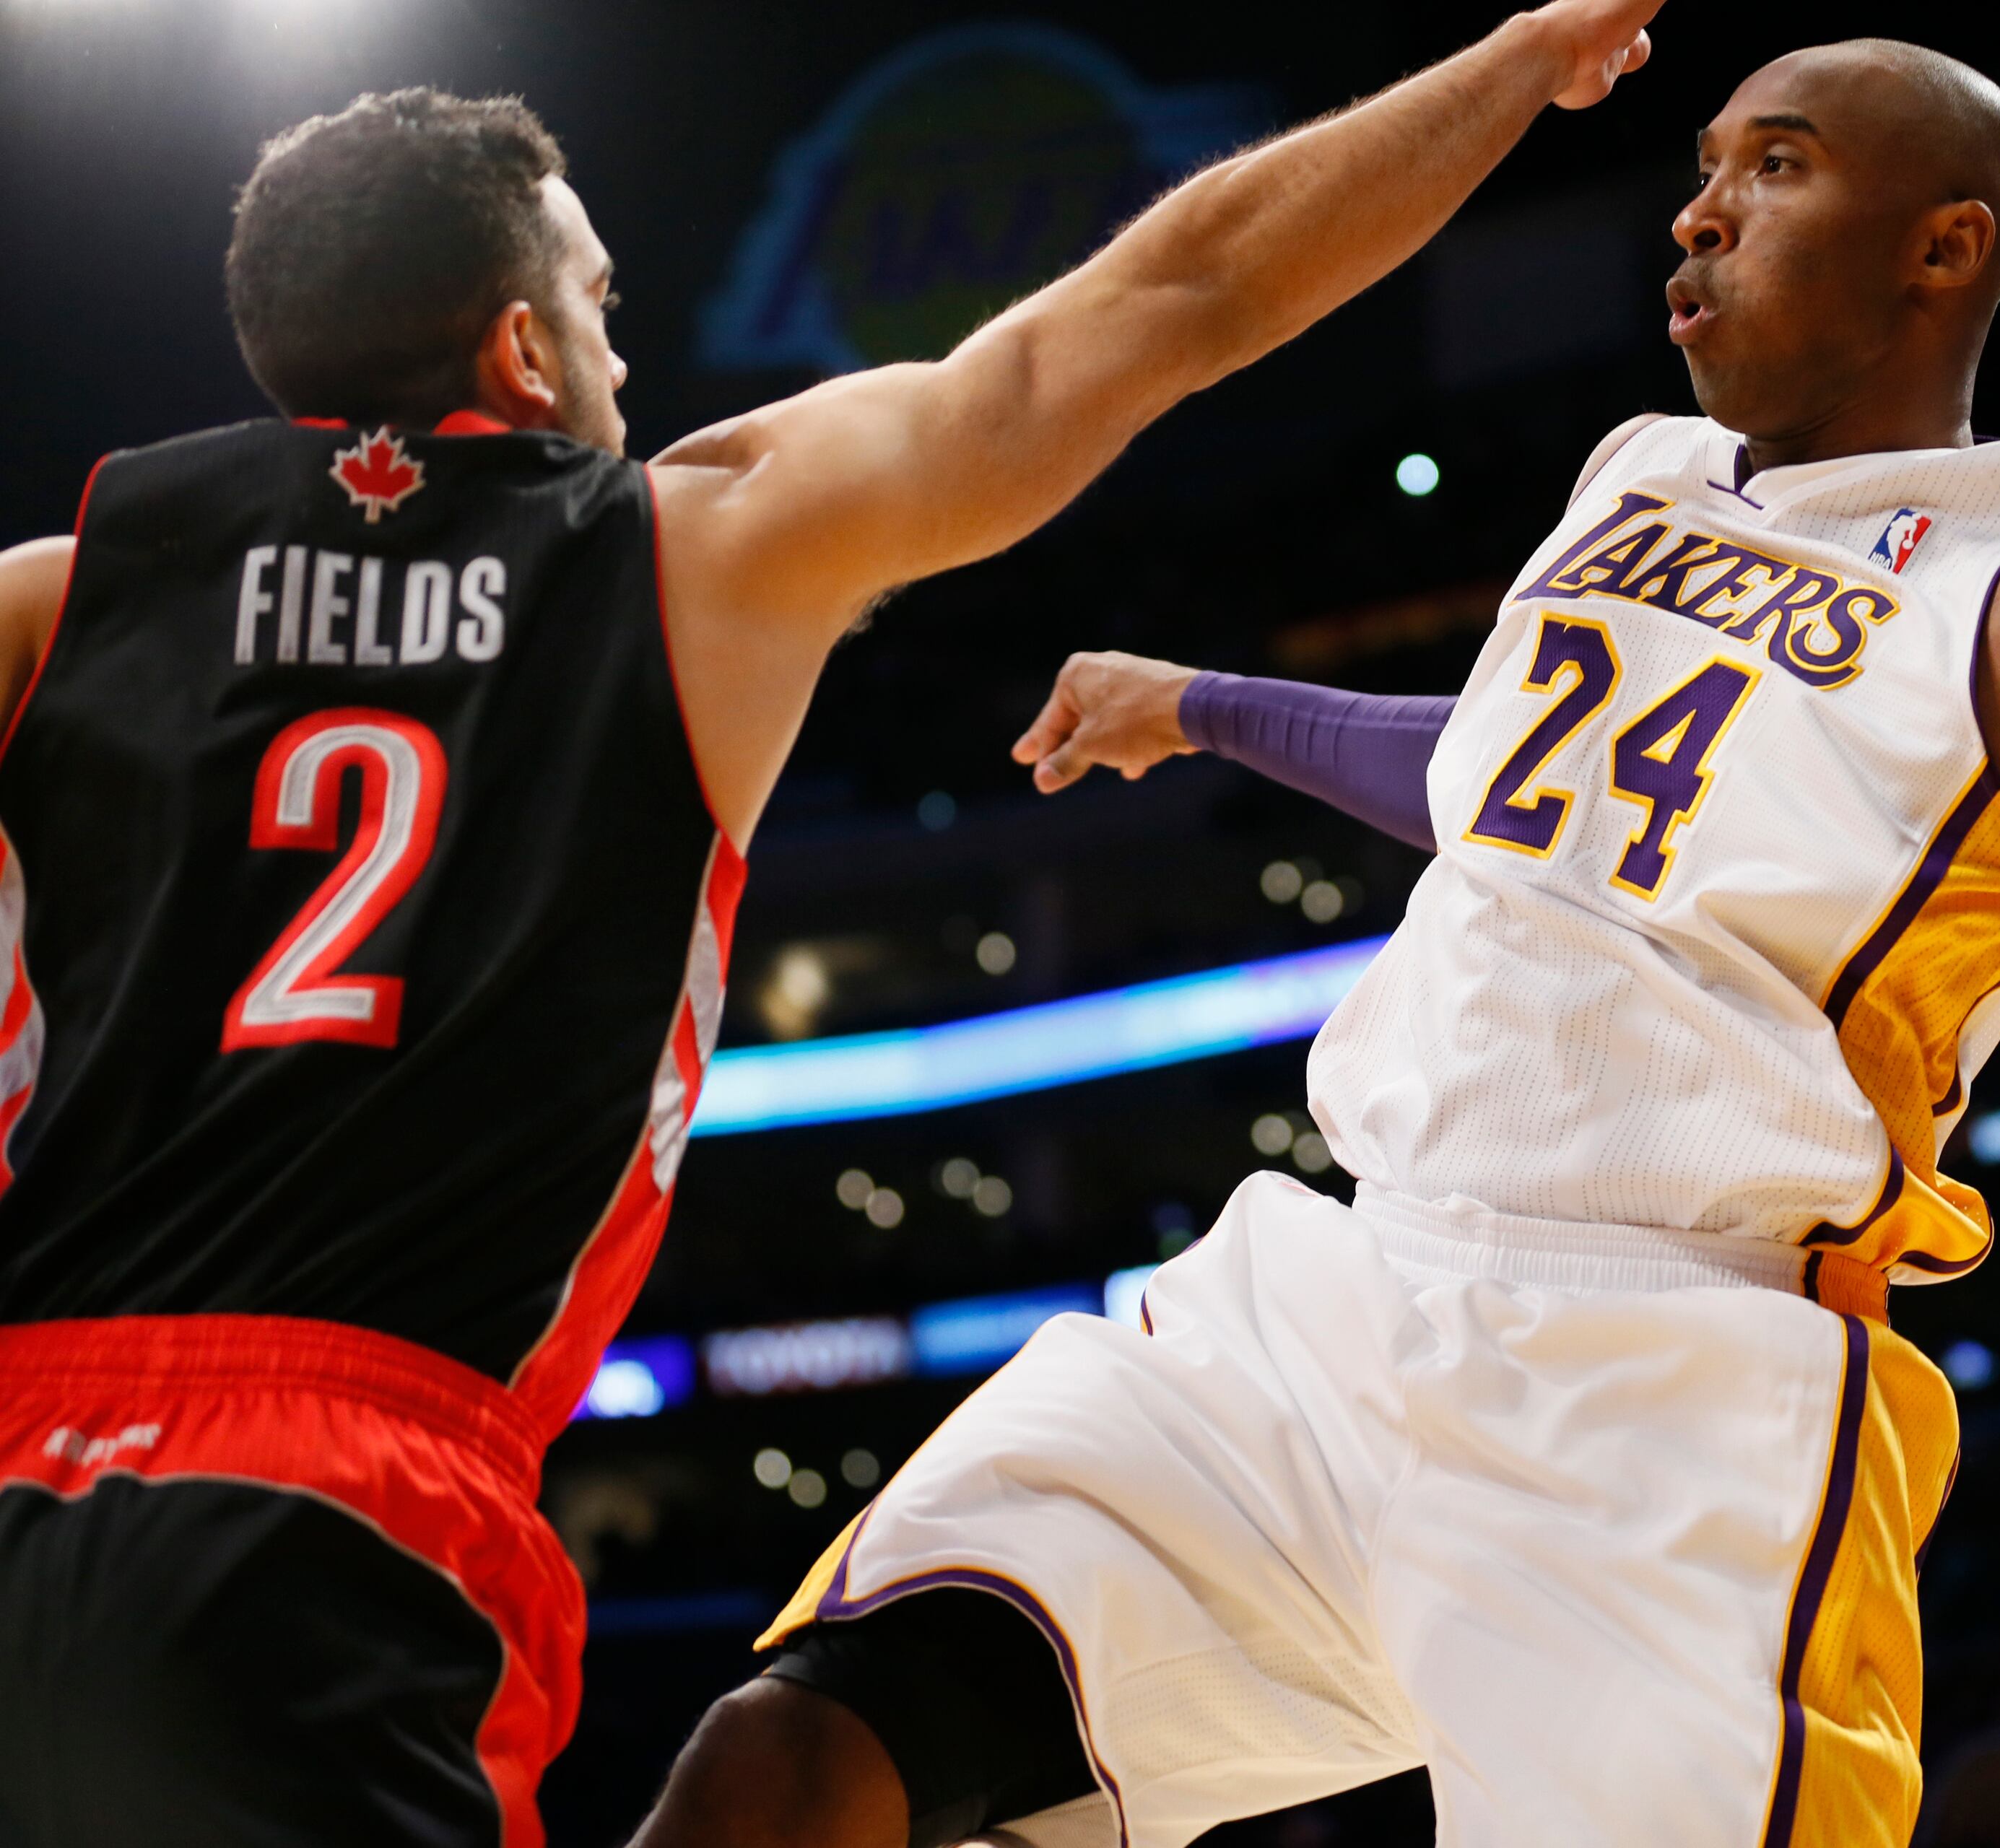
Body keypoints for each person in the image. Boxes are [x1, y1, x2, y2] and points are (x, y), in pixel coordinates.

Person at [640, 38, 2000, 1848]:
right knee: (802, 1748)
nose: (1698, 209)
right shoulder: (1632, 478)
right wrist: (1205, 702)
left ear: (1945, 245)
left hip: (1669, 1399)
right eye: (1700, 169)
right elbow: (1512, 775)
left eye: (1774, 166)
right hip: (1329, 1303)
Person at [0, 6, 1666, 1842]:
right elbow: (1161, 305)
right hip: (328, 1505)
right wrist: (1508, 65)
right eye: (606, 303)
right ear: (523, 345)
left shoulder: (58, 599)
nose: (626, 353)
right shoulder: (685, 544)